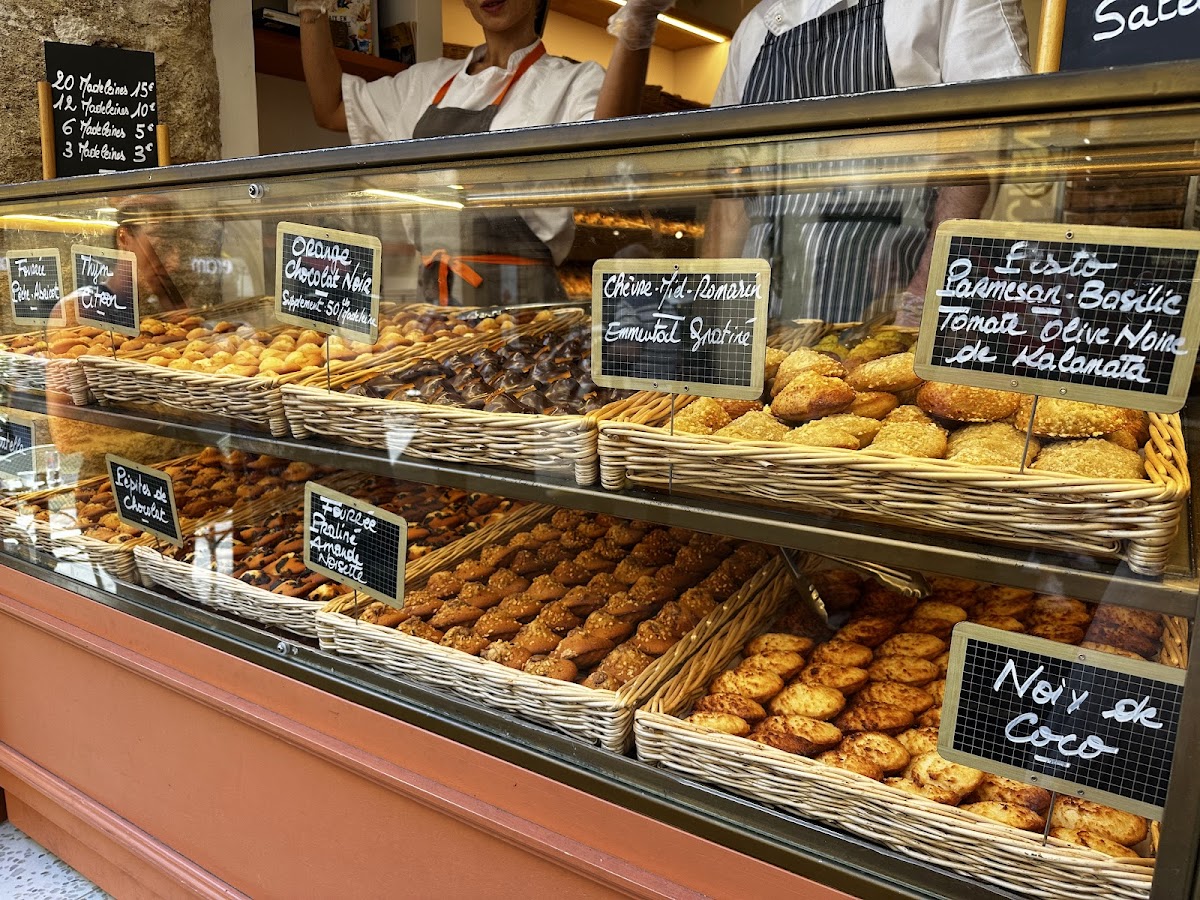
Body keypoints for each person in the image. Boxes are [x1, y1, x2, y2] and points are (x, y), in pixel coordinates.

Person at [295, 0, 673, 305]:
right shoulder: (424, 83)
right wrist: (312, 12)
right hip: (435, 310)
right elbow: (329, 108)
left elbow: (610, 139)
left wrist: (639, 18)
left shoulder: (571, 83)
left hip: (524, 310)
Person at [704, 0, 1031, 326]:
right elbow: (730, 185)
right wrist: (715, 317)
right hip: (756, 317)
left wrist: (923, 302)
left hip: (890, 305)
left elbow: (980, 146)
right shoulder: (755, 27)